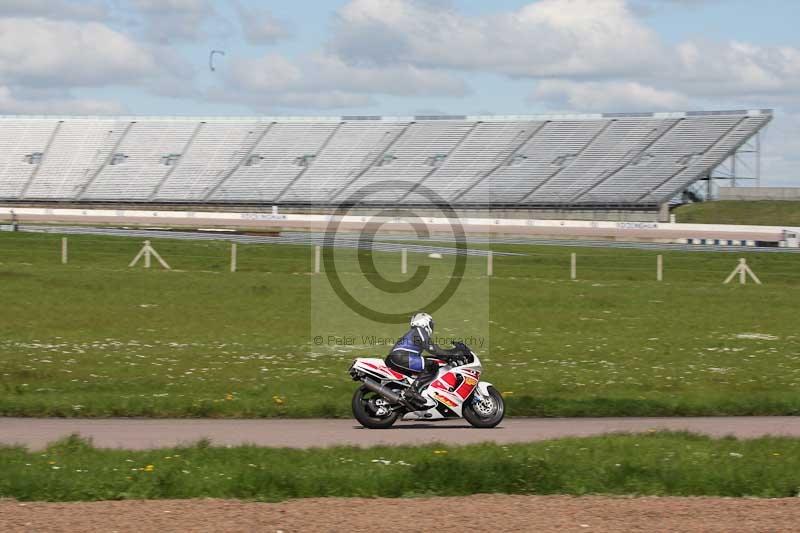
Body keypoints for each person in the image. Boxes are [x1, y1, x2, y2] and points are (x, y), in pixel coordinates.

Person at [386, 312, 461, 407]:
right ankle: (413, 391)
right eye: (430, 323)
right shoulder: (419, 330)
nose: (431, 326)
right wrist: (452, 354)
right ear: (424, 322)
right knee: (431, 365)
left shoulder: (413, 333)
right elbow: (432, 348)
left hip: (397, 357)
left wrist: (445, 354)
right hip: (402, 356)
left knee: (425, 363)